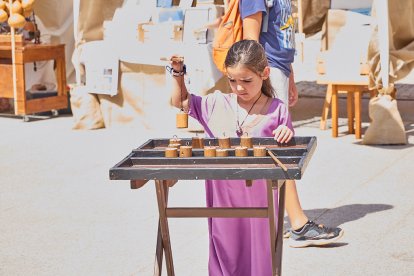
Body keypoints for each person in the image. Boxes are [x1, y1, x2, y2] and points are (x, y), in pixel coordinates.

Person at [239, 0, 344, 247]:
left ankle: (282, 222)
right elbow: (250, 40)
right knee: (279, 146)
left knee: (278, 145)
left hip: (279, 70)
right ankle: (297, 224)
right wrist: (261, 85)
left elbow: (282, 36)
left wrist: (290, 75)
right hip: (268, 72)